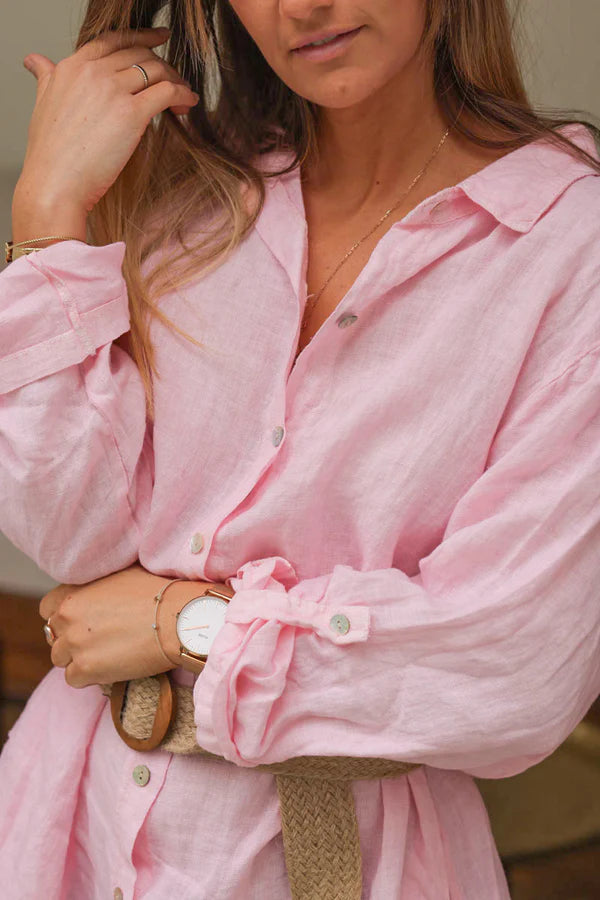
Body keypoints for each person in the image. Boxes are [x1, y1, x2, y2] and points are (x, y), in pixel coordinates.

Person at [1, 0, 600, 897]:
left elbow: (510, 667)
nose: (303, 6)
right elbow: (68, 537)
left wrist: (187, 626)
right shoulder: (189, 199)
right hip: (63, 827)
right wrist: (48, 215)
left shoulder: (568, 244)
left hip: (339, 864)